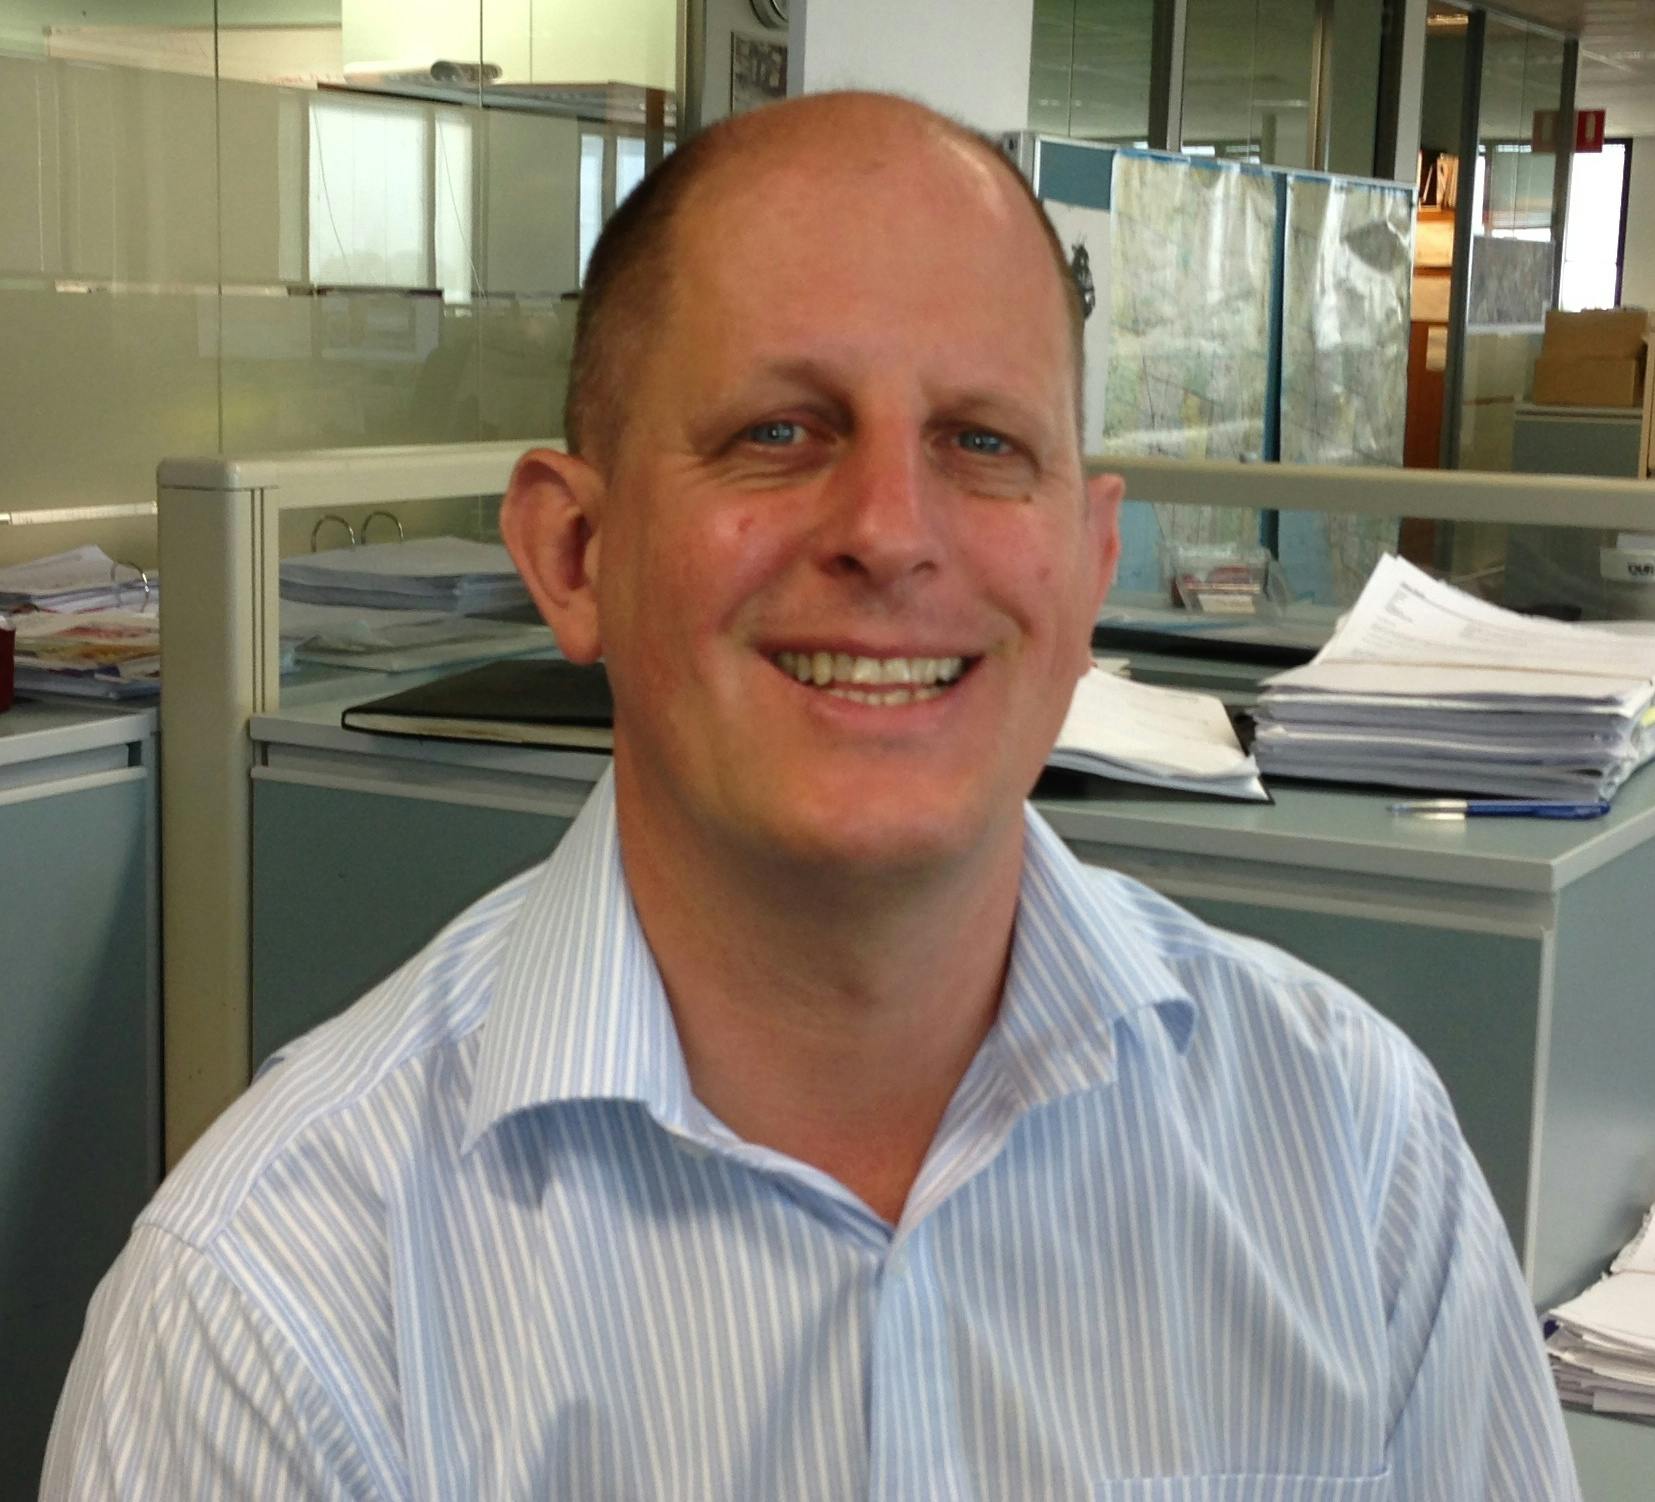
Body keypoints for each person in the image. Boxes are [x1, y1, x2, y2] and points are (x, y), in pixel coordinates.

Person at [44, 92, 1578, 1499]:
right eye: (778, 433)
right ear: (574, 554)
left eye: (982, 442)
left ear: (1090, 562)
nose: (890, 532)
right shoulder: (272, 1310)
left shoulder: (1352, 1157)